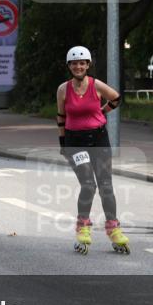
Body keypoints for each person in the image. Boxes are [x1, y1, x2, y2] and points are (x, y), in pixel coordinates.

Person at [56, 45, 129, 254]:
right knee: (88, 185)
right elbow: (61, 118)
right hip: (75, 141)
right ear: (69, 66)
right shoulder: (63, 89)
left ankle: (114, 229)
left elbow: (116, 98)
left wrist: (102, 111)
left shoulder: (96, 85)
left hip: (99, 139)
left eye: (82, 63)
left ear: (88, 65)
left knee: (106, 186)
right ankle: (82, 228)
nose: (78, 67)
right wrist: (63, 144)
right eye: (74, 63)